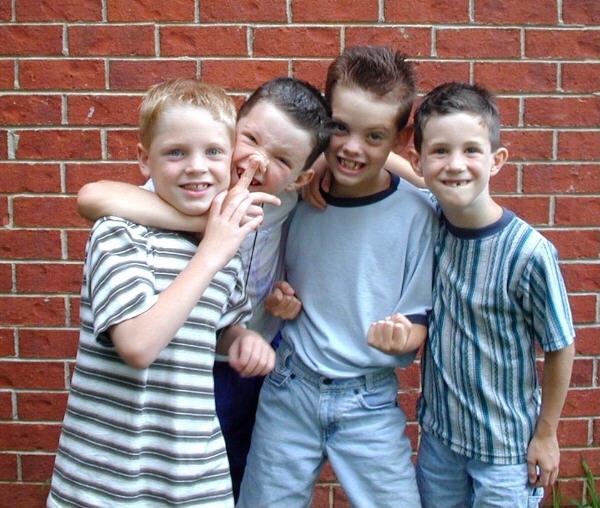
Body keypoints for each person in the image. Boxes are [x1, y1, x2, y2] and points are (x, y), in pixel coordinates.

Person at [75, 77, 332, 500]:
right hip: (119, 450)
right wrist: (210, 232)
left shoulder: (284, 196)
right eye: (249, 140)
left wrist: (243, 336)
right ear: (233, 130)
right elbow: (92, 197)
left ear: (299, 177)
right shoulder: (151, 215)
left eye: (280, 159)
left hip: (214, 392)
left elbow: (364, 148)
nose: (257, 161)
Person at [238, 46, 437, 507]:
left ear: (400, 137)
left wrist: (403, 336)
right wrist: (278, 300)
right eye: (341, 128)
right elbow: (268, 271)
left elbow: (418, 318)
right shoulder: (297, 193)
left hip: (368, 401)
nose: (352, 147)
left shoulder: (417, 214)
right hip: (290, 387)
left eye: (374, 136)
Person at [408, 82, 575, 508]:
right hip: (440, 444)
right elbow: (381, 165)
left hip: (507, 454)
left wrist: (547, 433)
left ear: (496, 160)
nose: (455, 164)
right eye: (440, 151)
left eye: (471, 150)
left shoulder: (529, 253)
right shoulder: (432, 221)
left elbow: (560, 345)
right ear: (419, 161)